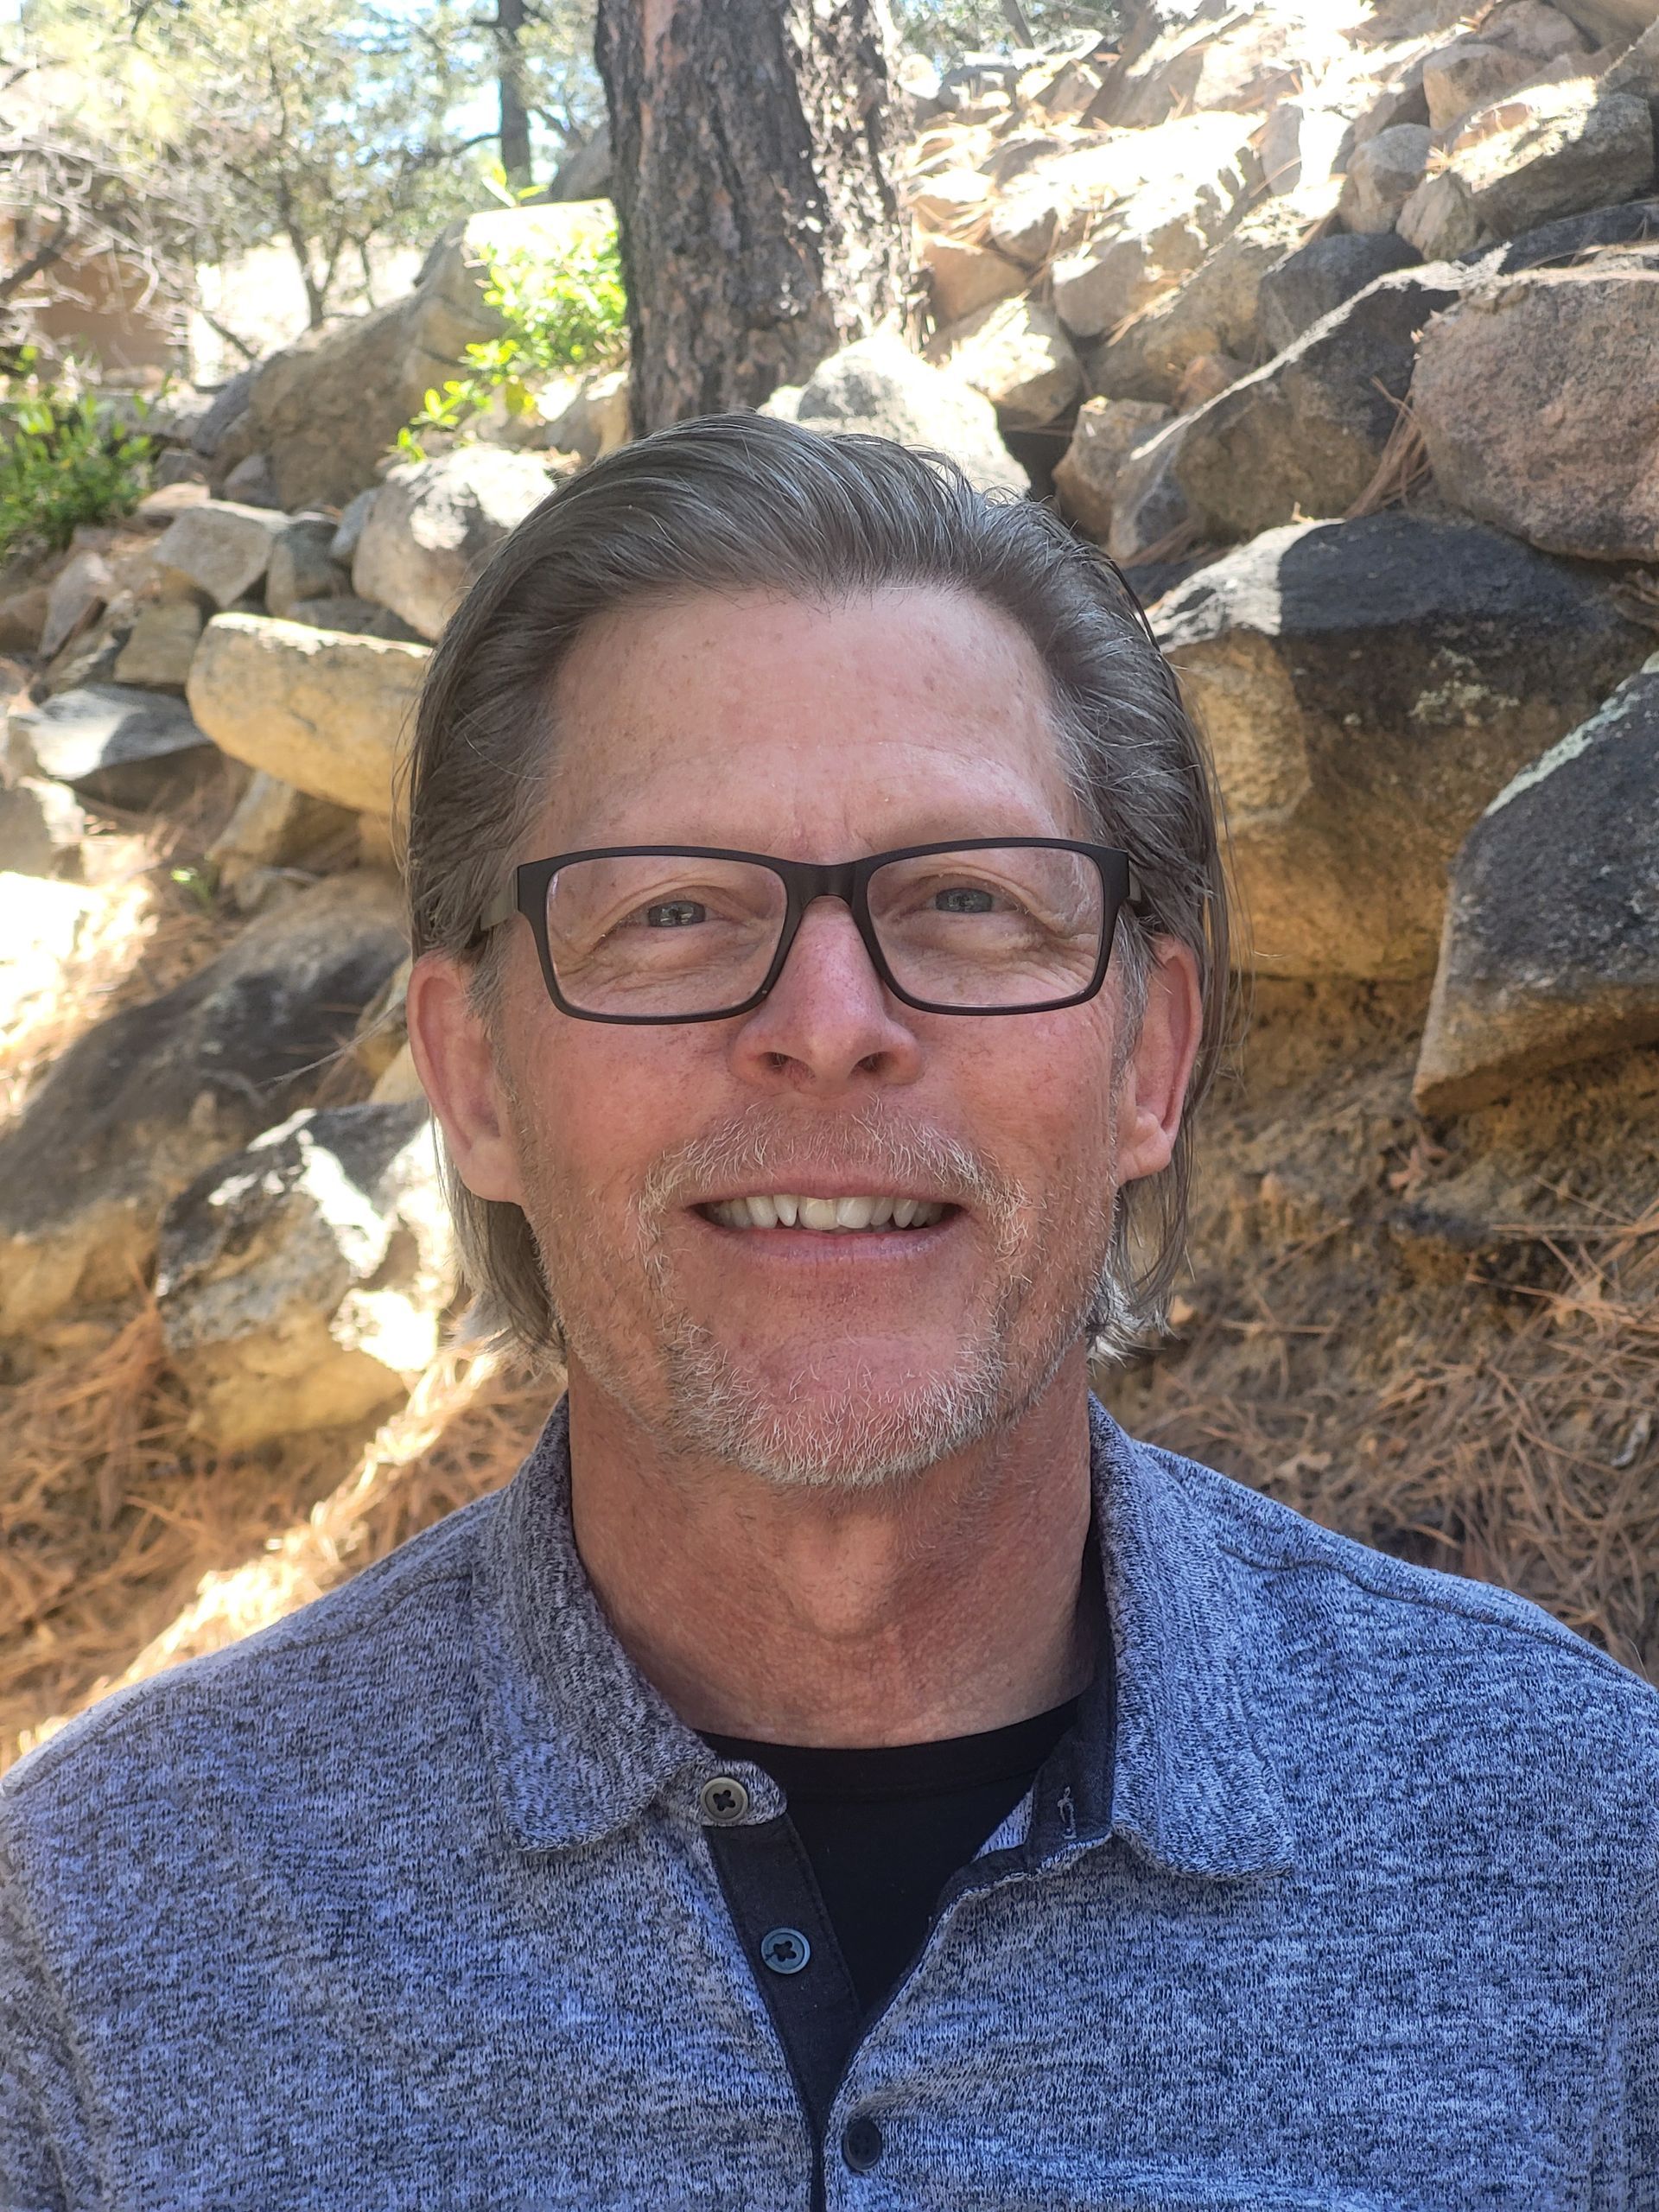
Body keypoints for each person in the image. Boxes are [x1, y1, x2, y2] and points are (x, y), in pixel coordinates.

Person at [3, 415, 1656, 2212]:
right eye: (677, 909)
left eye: (967, 899)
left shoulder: (1582, 1851)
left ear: (1148, 1058)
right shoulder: (93, 1937)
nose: (831, 1016)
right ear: (475, 1076)